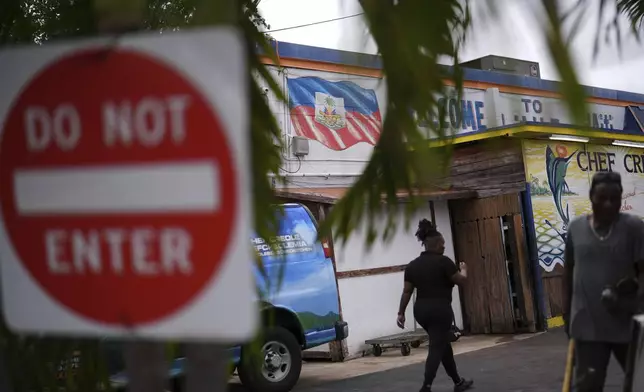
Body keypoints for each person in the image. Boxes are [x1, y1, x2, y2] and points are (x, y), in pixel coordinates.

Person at [563, 171, 644, 391]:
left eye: (614, 199)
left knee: (639, 382)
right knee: (588, 386)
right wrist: (567, 314)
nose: (609, 204)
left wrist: (632, 300)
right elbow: (569, 273)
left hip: (627, 324)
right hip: (587, 324)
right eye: (602, 198)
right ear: (591, 197)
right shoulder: (576, 229)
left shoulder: (634, 228)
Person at [396, 219, 473, 392]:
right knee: (437, 348)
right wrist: (464, 269)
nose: (444, 246)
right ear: (436, 244)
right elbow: (462, 281)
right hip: (440, 311)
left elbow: (407, 291)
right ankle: (426, 386)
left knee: (443, 345)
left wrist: (401, 313)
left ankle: (458, 382)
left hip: (421, 311)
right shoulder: (444, 262)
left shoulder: (412, 266)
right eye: (442, 243)